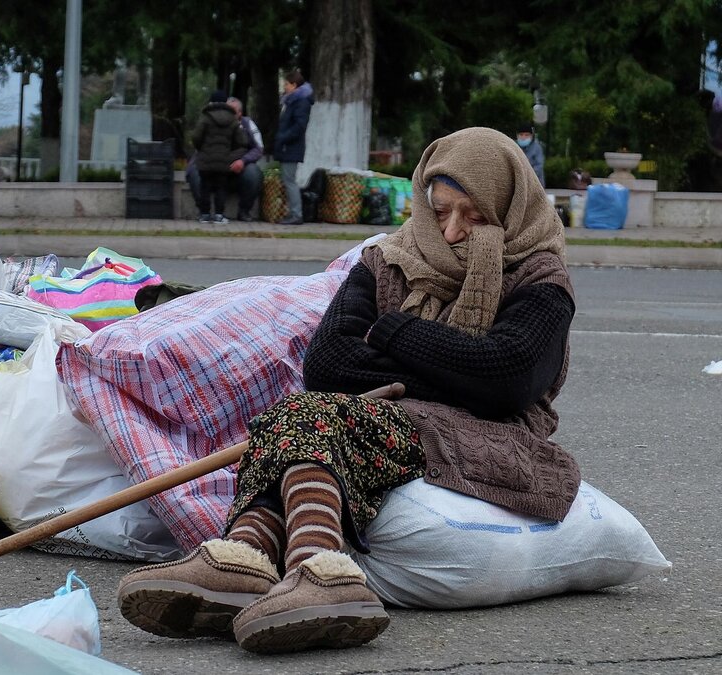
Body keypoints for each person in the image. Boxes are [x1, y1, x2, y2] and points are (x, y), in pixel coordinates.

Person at [117, 127, 578, 654]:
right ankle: (250, 557)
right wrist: (452, 367)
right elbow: (328, 363)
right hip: (387, 421)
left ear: (507, 204)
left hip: (492, 438)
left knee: (316, 418)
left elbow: (506, 380)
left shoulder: (539, 275)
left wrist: (393, 332)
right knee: (305, 410)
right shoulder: (389, 260)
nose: (450, 232)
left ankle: (312, 567)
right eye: (441, 210)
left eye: (472, 215)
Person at [186, 97, 264, 222]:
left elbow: (258, 148)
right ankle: (208, 213)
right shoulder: (212, 121)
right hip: (213, 165)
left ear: (239, 114)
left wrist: (242, 160)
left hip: (236, 168)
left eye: (231, 110)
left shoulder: (246, 124)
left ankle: (243, 211)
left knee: (253, 174)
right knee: (195, 172)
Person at [274, 70, 313, 224]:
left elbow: (299, 126)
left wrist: (283, 138)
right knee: (288, 179)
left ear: (294, 85)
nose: (285, 86)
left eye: (287, 84)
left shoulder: (300, 102)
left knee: (289, 180)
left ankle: (296, 214)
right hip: (288, 147)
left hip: (291, 147)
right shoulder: (292, 101)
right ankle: (293, 213)